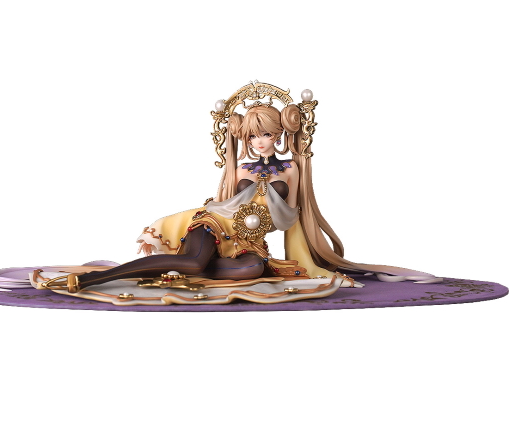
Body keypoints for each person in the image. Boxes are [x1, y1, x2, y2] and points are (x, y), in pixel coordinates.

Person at [46, 81, 438, 294]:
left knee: (252, 268)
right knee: (195, 261)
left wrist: (304, 260)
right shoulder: (239, 170)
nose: (259, 142)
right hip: (214, 225)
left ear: (279, 134)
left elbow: (292, 220)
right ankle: (96, 279)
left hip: (249, 242)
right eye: (252, 136)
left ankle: (176, 271)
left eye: (265, 134)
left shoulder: (291, 170)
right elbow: (221, 206)